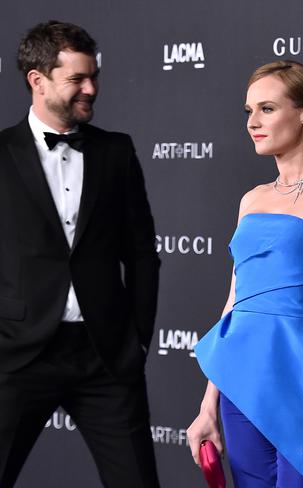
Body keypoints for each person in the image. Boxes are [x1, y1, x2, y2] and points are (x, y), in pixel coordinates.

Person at [188, 60, 303, 487]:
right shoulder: (251, 200)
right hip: (241, 383)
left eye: (267, 109)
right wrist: (208, 404)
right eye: (249, 111)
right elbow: (235, 303)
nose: (253, 122)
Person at [0, 21, 160, 486]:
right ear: (38, 80)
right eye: (76, 79)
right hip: (19, 352)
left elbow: (143, 254)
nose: (91, 88)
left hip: (104, 355)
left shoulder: (116, 151)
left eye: (94, 77)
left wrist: (139, 339)